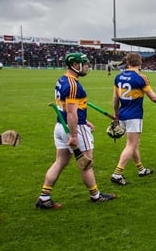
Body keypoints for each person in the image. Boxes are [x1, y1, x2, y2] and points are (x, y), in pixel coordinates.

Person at [36, 52, 116, 209]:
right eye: (84, 64)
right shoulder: (73, 85)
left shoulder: (62, 80)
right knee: (86, 163)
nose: (87, 66)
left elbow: (68, 108)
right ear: (75, 65)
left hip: (60, 125)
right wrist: (74, 135)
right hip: (74, 128)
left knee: (60, 161)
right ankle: (95, 195)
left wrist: (84, 120)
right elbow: (71, 112)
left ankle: (44, 197)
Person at [109, 52, 156, 185]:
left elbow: (115, 99)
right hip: (134, 115)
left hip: (122, 114)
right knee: (131, 145)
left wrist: (116, 115)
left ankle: (141, 169)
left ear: (127, 62)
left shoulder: (118, 77)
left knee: (134, 144)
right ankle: (117, 173)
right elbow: (153, 97)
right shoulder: (140, 78)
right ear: (140, 62)